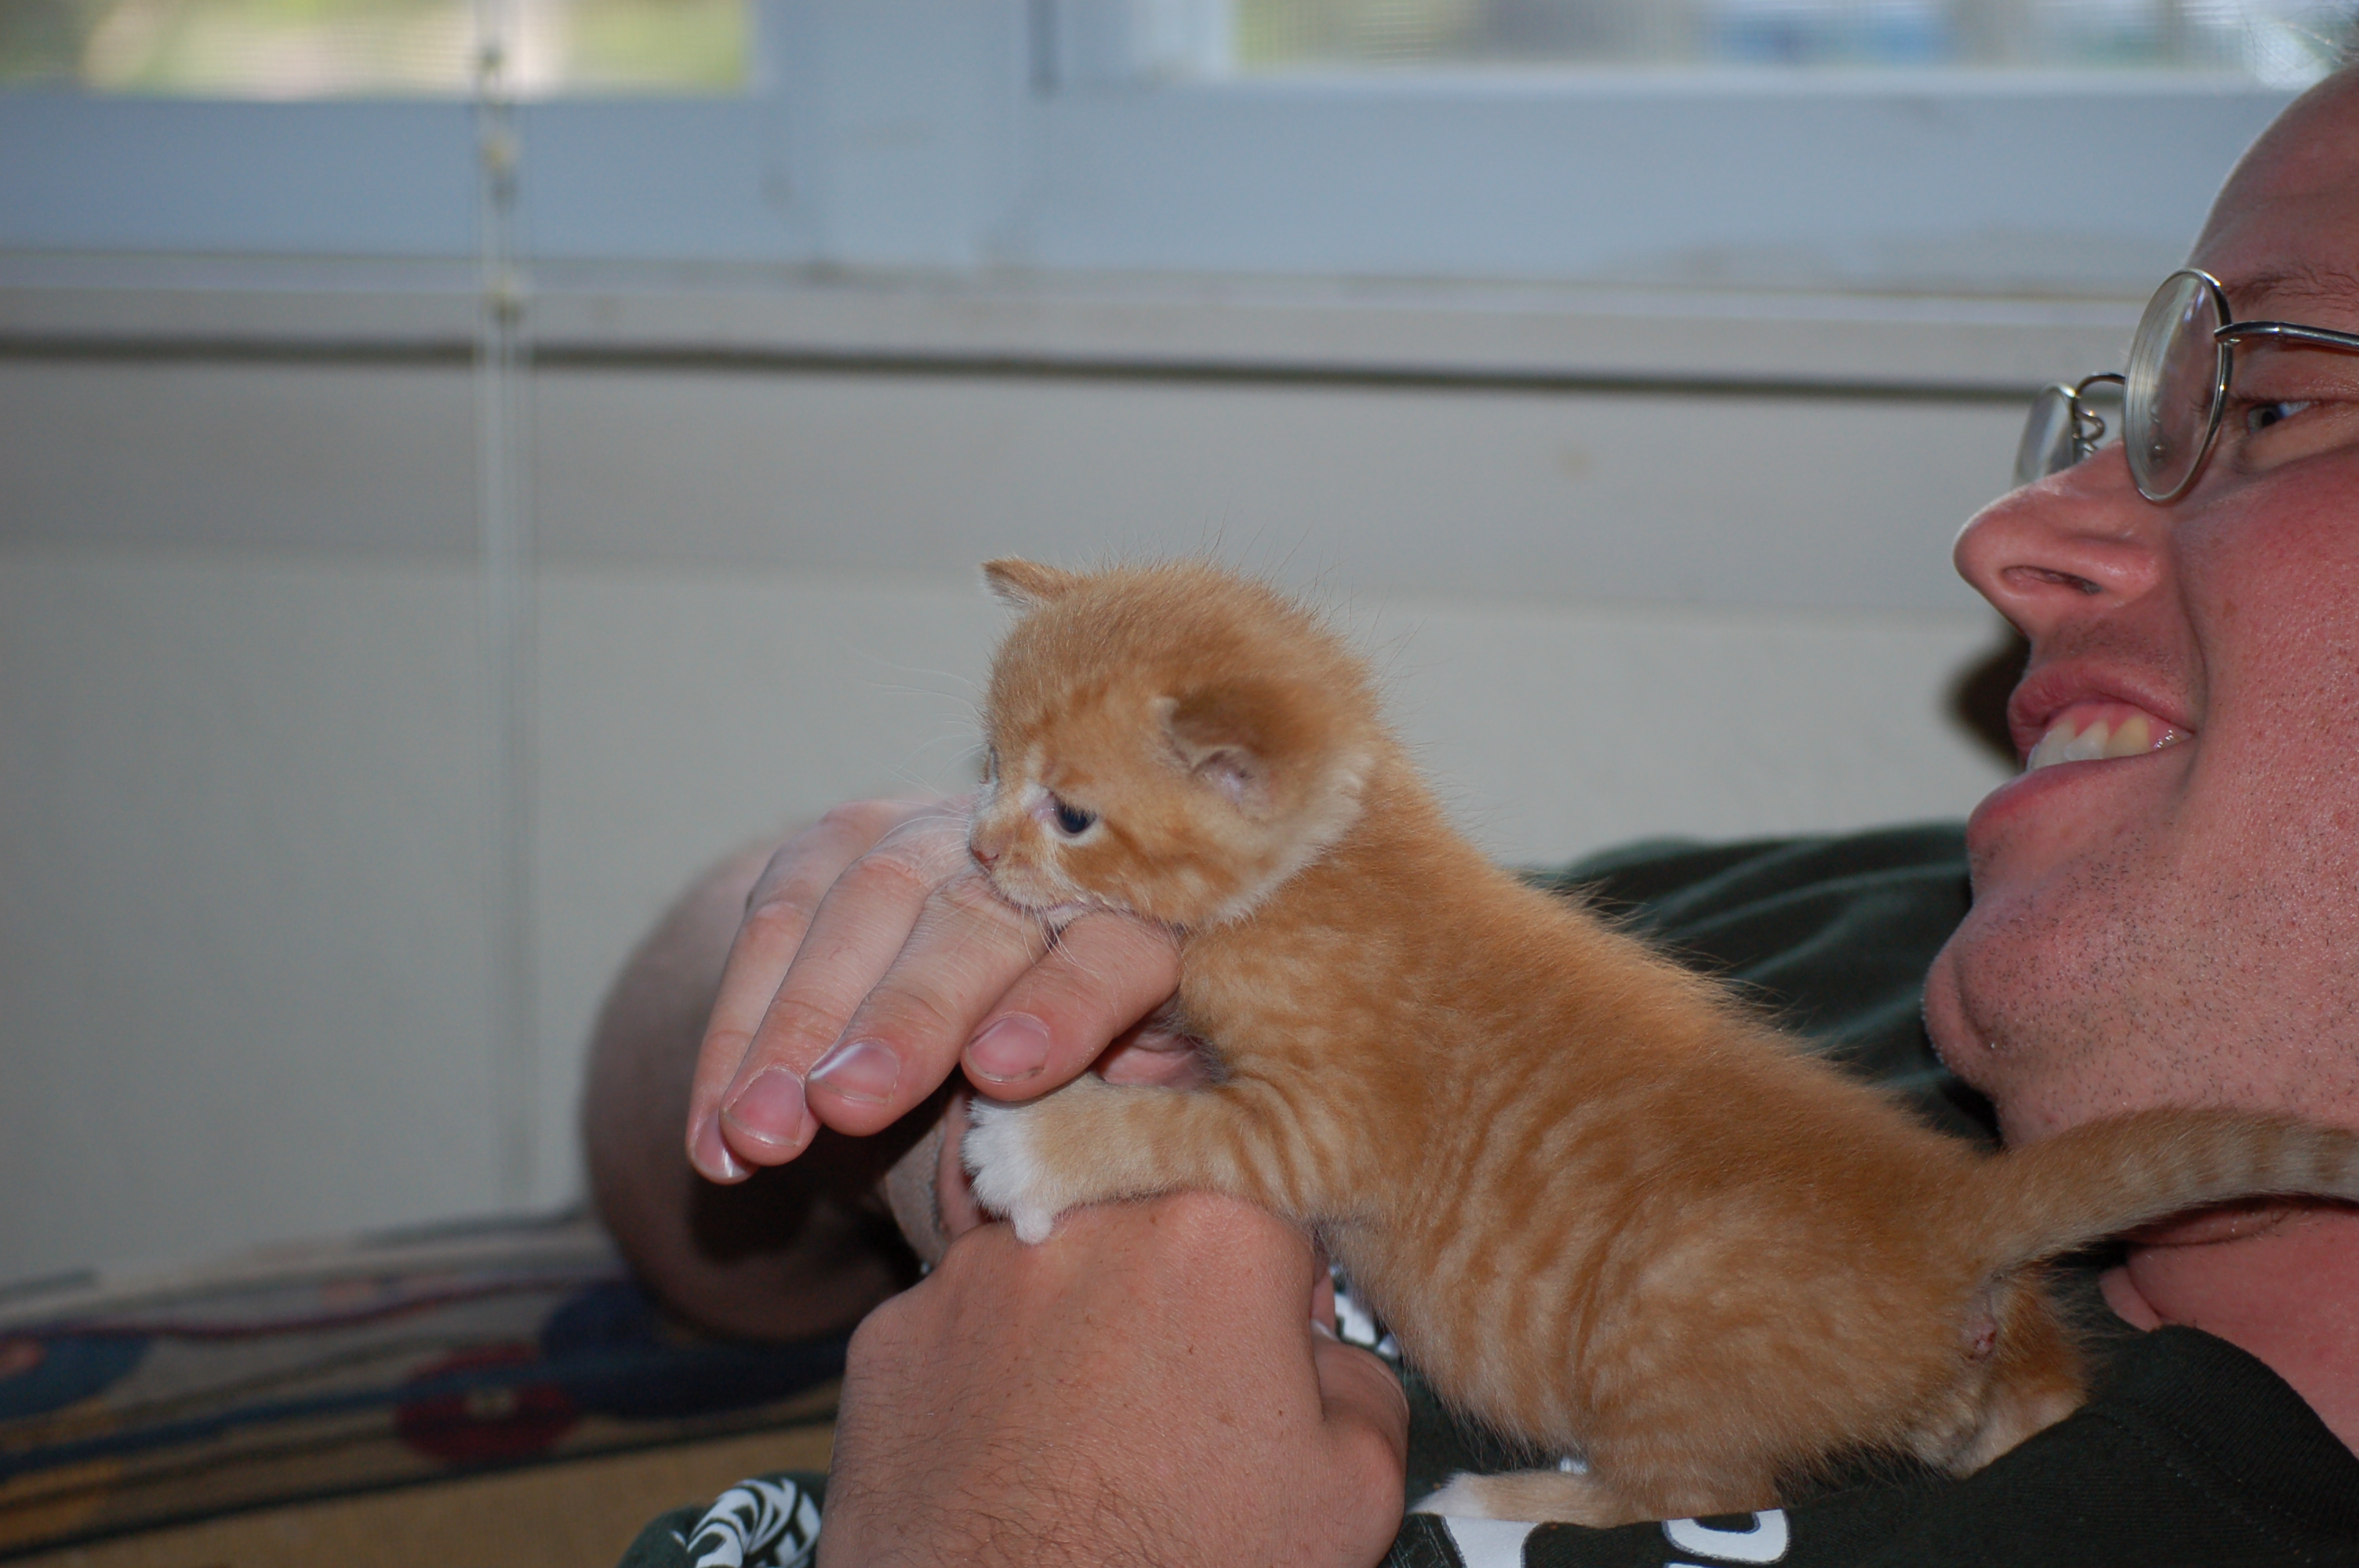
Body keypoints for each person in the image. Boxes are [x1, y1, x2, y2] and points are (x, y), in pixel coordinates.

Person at [590, 64, 2359, 1566]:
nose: (2007, 530)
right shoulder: (1840, 947)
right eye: (2115, 421)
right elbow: (671, 1194)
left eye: (2274, 404)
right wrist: (886, 988)